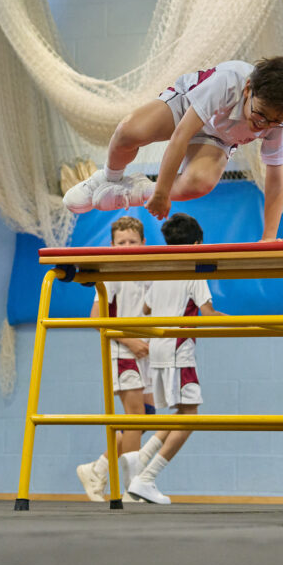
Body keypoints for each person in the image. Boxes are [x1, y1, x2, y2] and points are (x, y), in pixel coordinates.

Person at [63, 58, 283, 241]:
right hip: (187, 107)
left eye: (273, 121)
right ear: (249, 89)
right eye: (259, 114)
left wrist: (269, 239)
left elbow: (275, 181)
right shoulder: (228, 82)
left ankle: (133, 192)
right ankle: (107, 178)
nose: (262, 125)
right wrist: (162, 192)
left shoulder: (279, 124)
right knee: (129, 131)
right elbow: (180, 136)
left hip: (218, 138)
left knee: (200, 183)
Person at [120, 213, 225, 505]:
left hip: (157, 352)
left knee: (181, 412)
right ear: (197, 243)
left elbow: (145, 307)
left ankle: (140, 461)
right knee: (191, 418)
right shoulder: (194, 273)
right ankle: (147, 477)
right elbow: (207, 314)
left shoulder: (164, 271)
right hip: (179, 352)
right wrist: (237, 321)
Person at [76, 216, 159, 502]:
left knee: (146, 417)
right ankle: (132, 488)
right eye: (120, 242)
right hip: (123, 350)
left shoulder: (149, 272)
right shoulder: (110, 273)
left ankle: (97, 468)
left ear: (143, 243)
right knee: (135, 418)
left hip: (144, 352)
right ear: (111, 245)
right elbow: (96, 318)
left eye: (132, 242)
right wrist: (129, 340)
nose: (126, 246)